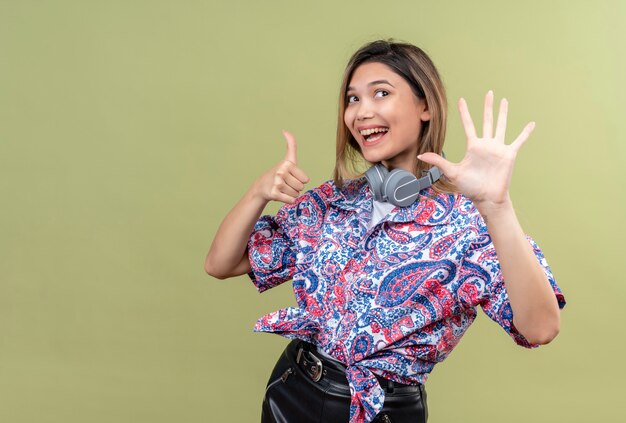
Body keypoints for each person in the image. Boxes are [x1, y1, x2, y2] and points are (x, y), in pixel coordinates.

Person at [205, 40, 566, 423]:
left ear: (424, 105)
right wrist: (258, 192)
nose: (362, 112)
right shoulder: (332, 202)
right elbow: (221, 263)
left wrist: (497, 208)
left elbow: (541, 328)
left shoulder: (470, 224)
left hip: (383, 412)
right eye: (353, 99)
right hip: (293, 392)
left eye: (381, 93)